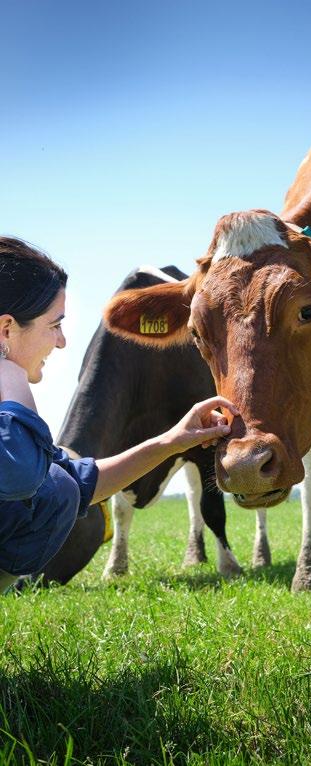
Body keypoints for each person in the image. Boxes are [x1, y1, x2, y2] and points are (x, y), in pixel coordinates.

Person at [0, 237, 237, 591]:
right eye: (54, 325)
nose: (62, 341)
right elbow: (25, 478)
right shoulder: (14, 416)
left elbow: (76, 481)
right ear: (6, 329)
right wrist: (11, 376)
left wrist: (174, 440)